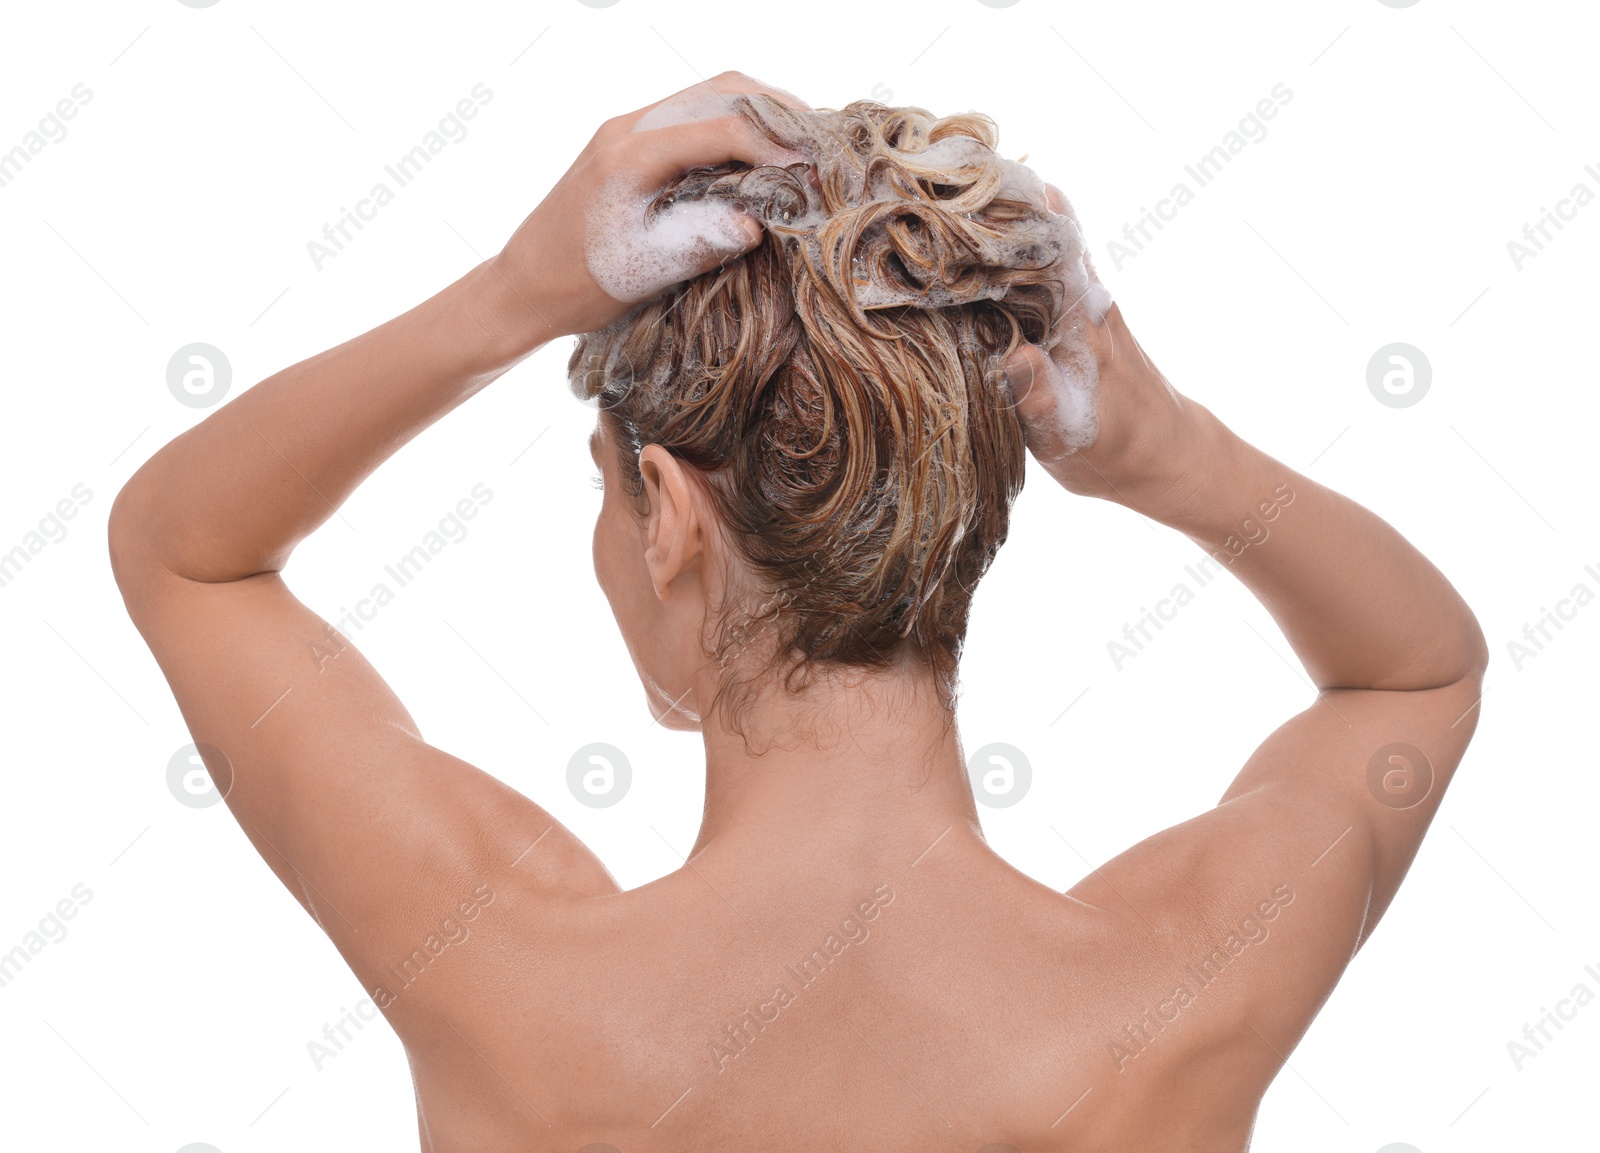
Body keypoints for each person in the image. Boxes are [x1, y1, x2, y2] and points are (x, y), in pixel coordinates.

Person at [109, 72, 1488, 1152]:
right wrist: (1172, 450)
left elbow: (184, 550)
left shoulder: (507, 984)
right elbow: (1411, 676)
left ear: (670, 513)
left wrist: (511, 295)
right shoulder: (1168, 1001)